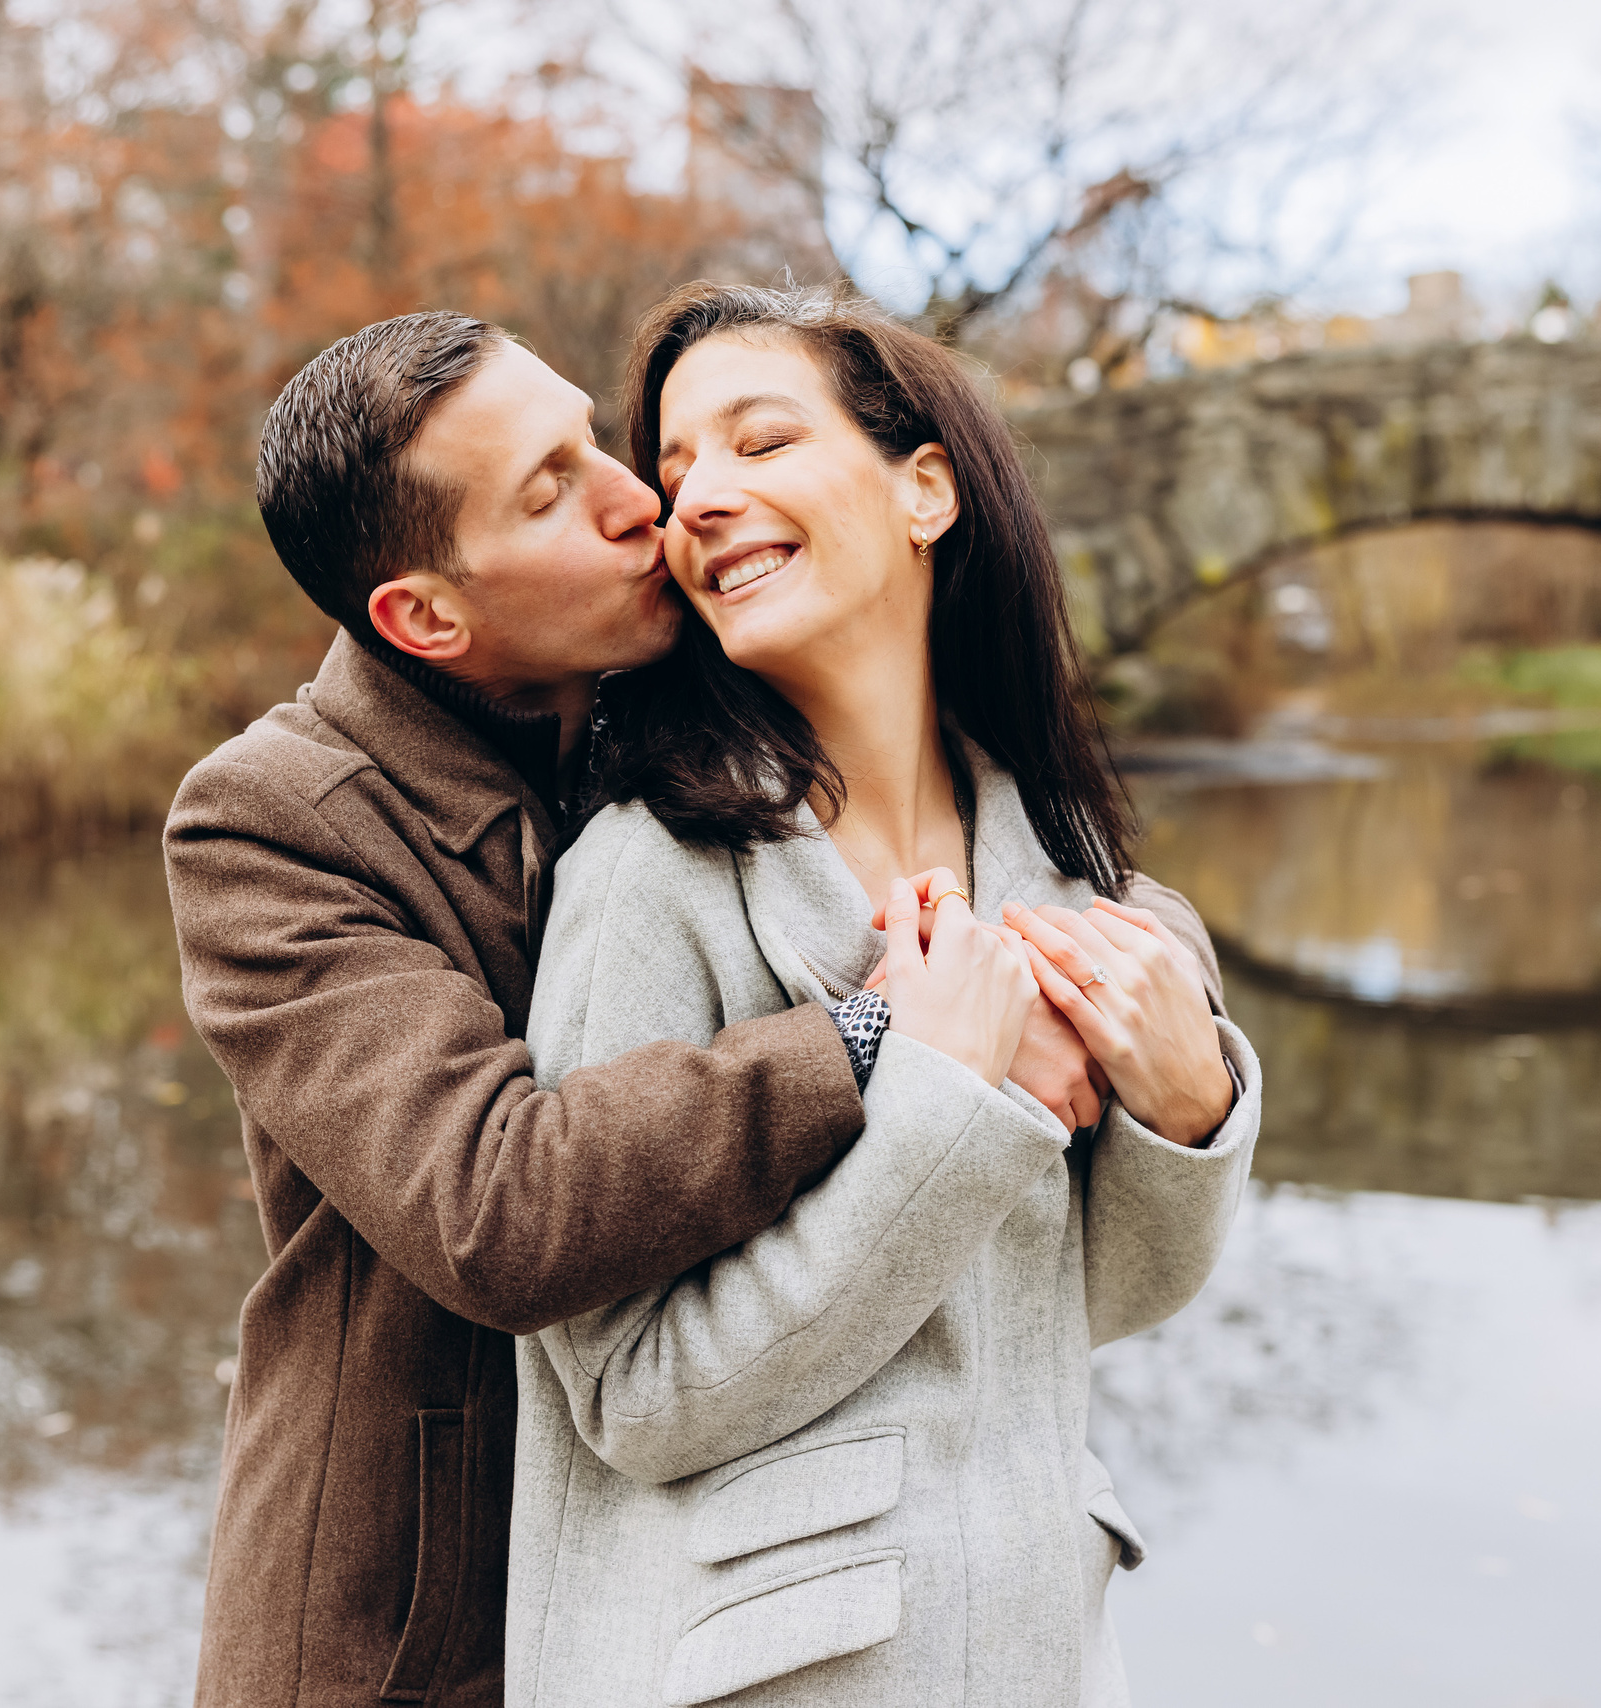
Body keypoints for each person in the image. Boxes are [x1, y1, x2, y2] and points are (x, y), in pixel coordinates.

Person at [163, 312, 1219, 1708]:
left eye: (600, 443)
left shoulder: (676, 682)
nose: (645, 499)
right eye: (553, 489)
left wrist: (1176, 1049)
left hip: (757, 1588)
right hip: (412, 1626)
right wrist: (880, 1035)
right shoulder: (274, 824)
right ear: (429, 618)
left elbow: (1009, 836)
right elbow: (498, 1204)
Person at [506, 283, 1262, 1707]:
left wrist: (1187, 1110)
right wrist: (946, 1105)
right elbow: (631, 1397)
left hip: (1039, 1646)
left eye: (760, 443)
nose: (701, 500)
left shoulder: (1059, 853)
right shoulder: (651, 874)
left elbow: (1086, 1300)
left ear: (926, 489)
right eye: (675, 472)